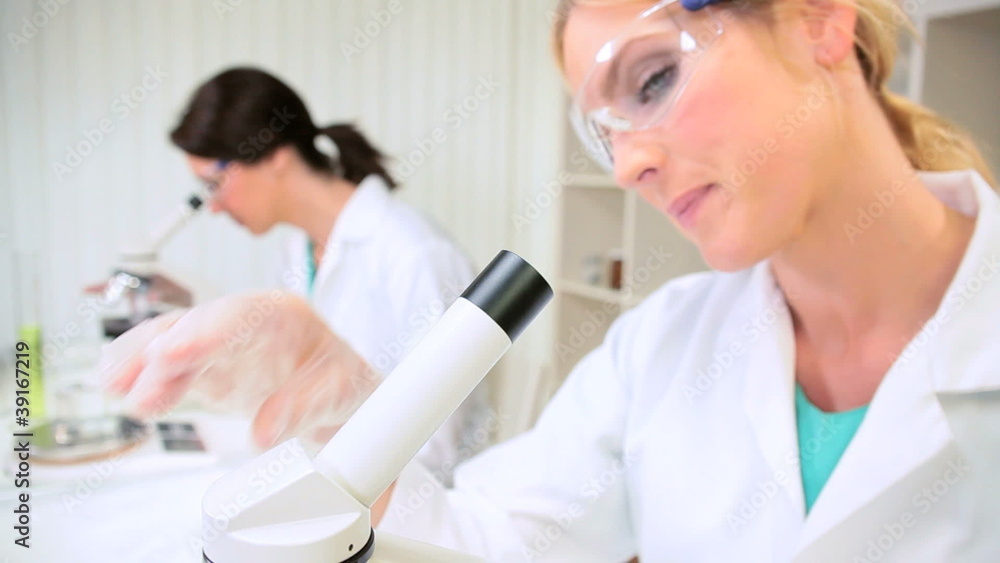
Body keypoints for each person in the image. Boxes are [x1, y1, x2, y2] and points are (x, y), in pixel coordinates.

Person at [101, 2, 1000, 560]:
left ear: (819, 20)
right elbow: (491, 541)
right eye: (604, 130)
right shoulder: (661, 344)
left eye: (653, 80)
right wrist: (351, 422)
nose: (628, 168)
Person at [106, 67, 488, 480]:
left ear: (274, 155)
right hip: (319, 475)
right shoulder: (299, 251)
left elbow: (432, 450)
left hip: (402, 508)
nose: (213, 207)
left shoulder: (415, 254)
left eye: (215, 184)